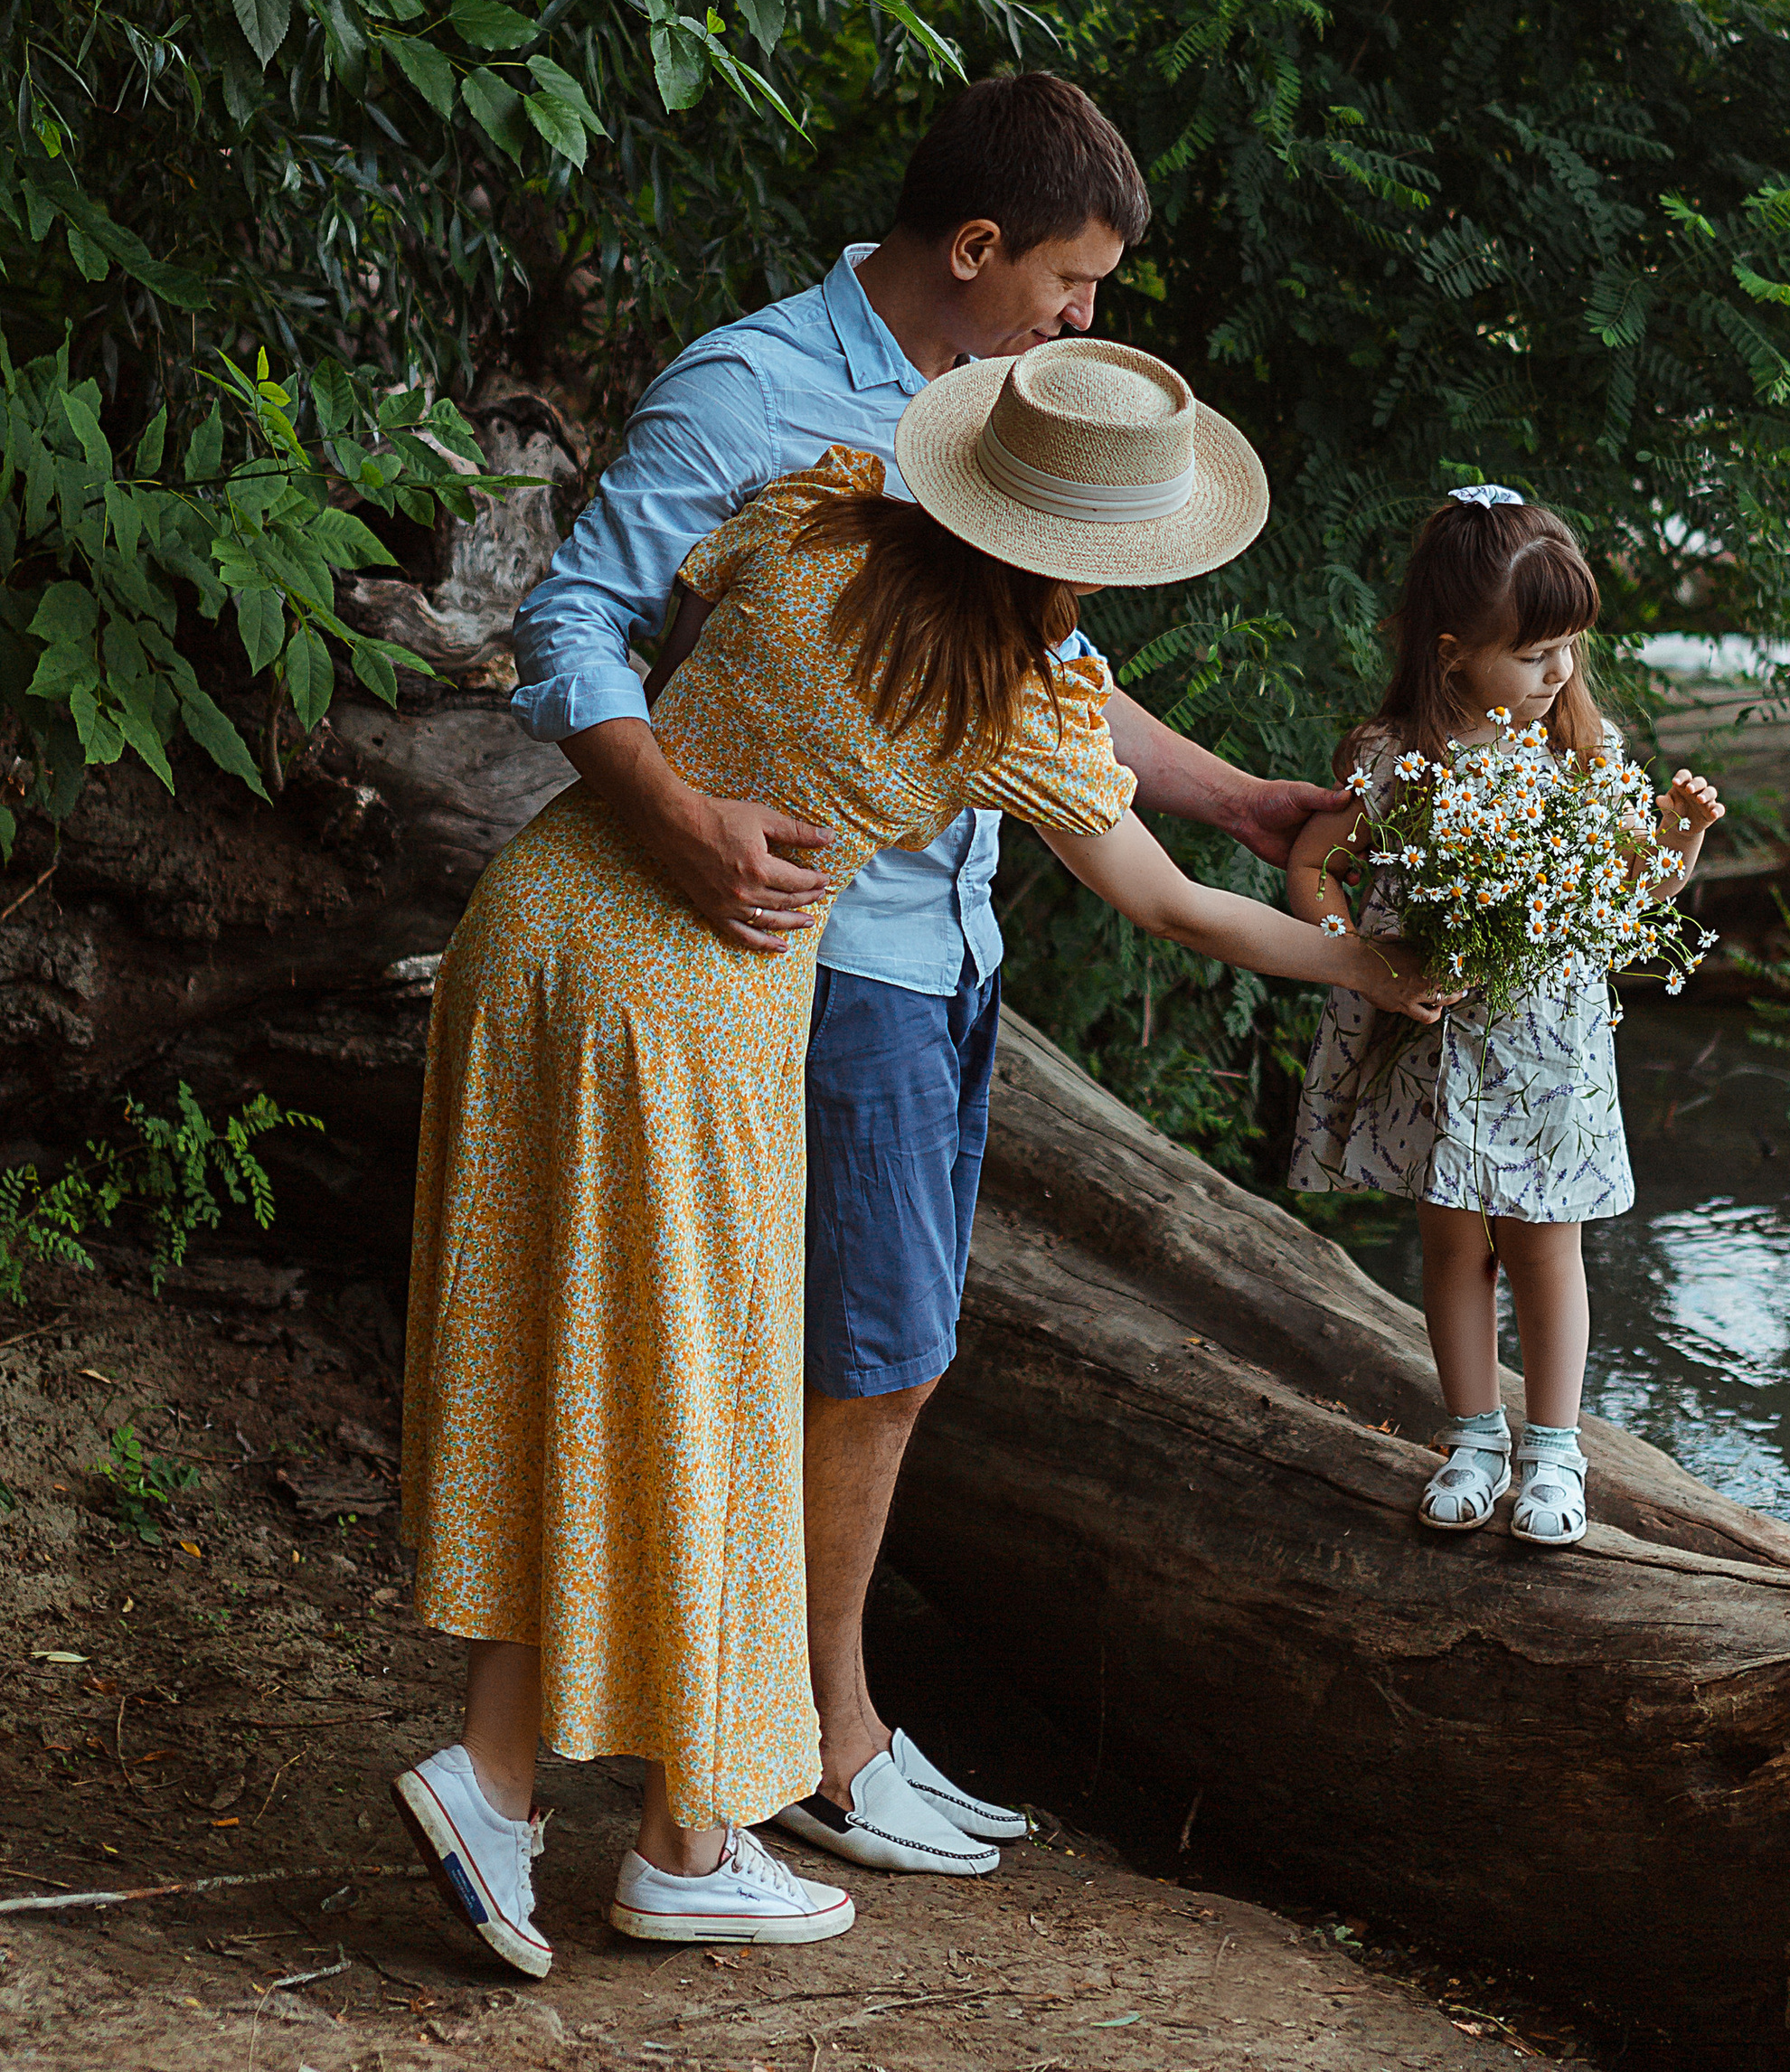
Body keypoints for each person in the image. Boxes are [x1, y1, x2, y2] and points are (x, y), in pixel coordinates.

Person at [397, 335, 1446, 1978]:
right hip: (690, 1004)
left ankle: (505, 1780)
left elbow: (681, 628)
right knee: (701, 1396)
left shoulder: (826, 512)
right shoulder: (999, 695)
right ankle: (685, 1835)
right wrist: (1369, 967)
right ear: (1078, 554)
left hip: (542, 924)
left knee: (579, 1367)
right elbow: (1168, 899)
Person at [507, 73, 1337, 1877]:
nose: (1086, 321)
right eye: (1072, 284)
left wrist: (1243, 804)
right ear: (973, 248)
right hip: (800, 959)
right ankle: (811, 1737)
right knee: (846, 1361)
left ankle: (802, 1721)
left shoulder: (1001, 417)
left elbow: (1053, 679)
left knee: (882, 1361)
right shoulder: (755, 395)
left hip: (952, 942)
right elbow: (571, 617)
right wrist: (677, 812)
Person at [1282, 486, 1722, 1549]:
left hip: (1544, 1052)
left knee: (1544, 1243)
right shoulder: (1390, 757)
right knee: (1450, 1241)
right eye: (1534, 653)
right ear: (1452, 653)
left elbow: (1633, 896)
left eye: (1571, 646)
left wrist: (1677, 836)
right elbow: (1311, 863)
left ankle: (1555, 1448)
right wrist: (1359, 950)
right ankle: (1473, 1436)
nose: (1560, 672)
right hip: (1432, 1045)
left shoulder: (1579, 753)